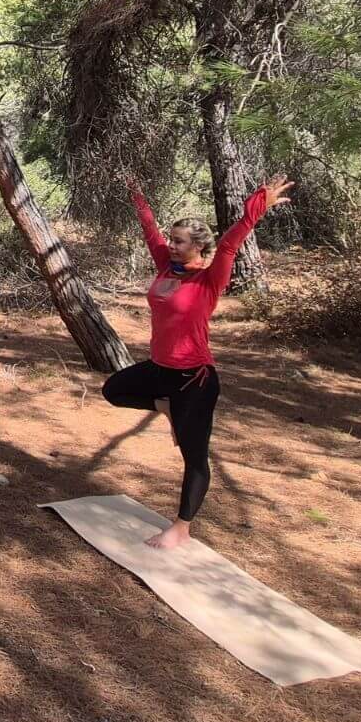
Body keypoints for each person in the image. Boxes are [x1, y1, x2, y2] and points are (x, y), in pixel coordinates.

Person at [101, 171, 295, 550]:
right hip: (160, 371)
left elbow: (230, 243)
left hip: (194, 380)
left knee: (194, 457)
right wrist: (136, 191)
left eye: (180, 242)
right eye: (172, 240)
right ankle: (162, 405)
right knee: (113, 389)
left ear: (197, 247)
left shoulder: (209, 278)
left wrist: (258, 207)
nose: (171, 246)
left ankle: (181, 527)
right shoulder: (165, 267)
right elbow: (150, 232)